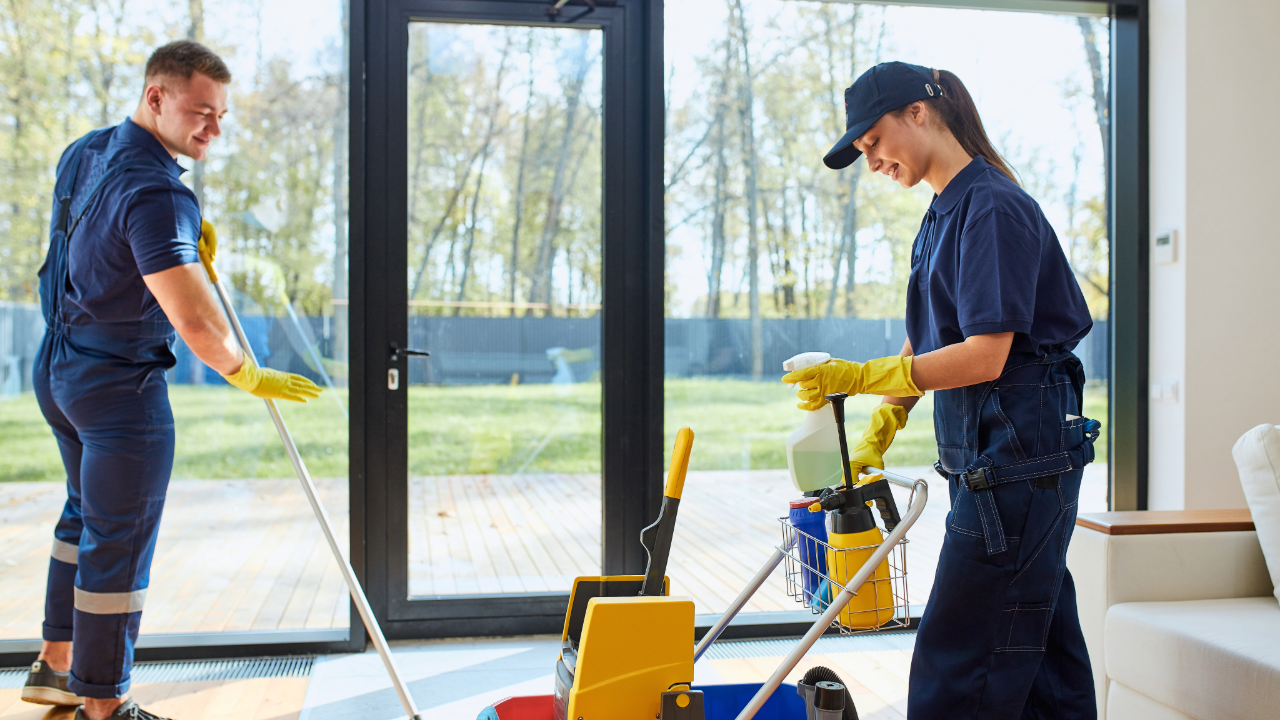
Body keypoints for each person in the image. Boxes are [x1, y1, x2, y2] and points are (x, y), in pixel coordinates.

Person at [783, 62, 1100, 719]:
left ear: (918, 113)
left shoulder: (992, 207)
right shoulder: (943, 214)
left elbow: (986, 355)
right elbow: (928, 345)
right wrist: (882, 426)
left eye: (873, 142)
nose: (871, 162)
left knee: (958, 662)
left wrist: (861, 377)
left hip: (1016, 461)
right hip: (998, 461)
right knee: (1038, 650)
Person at [21, 40, 321, 720]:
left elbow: (95, 250)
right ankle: (106, 705)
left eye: (221, 115)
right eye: (200, 112)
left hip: (60, 370)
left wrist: (177, 243)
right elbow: (197, 324)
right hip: (120, 390)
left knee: (83, 519)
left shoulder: (85, 151)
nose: (213, 129)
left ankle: (56, 665)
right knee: (118, 543)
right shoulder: (160, 194)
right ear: (156, 98)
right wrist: (247, 374)